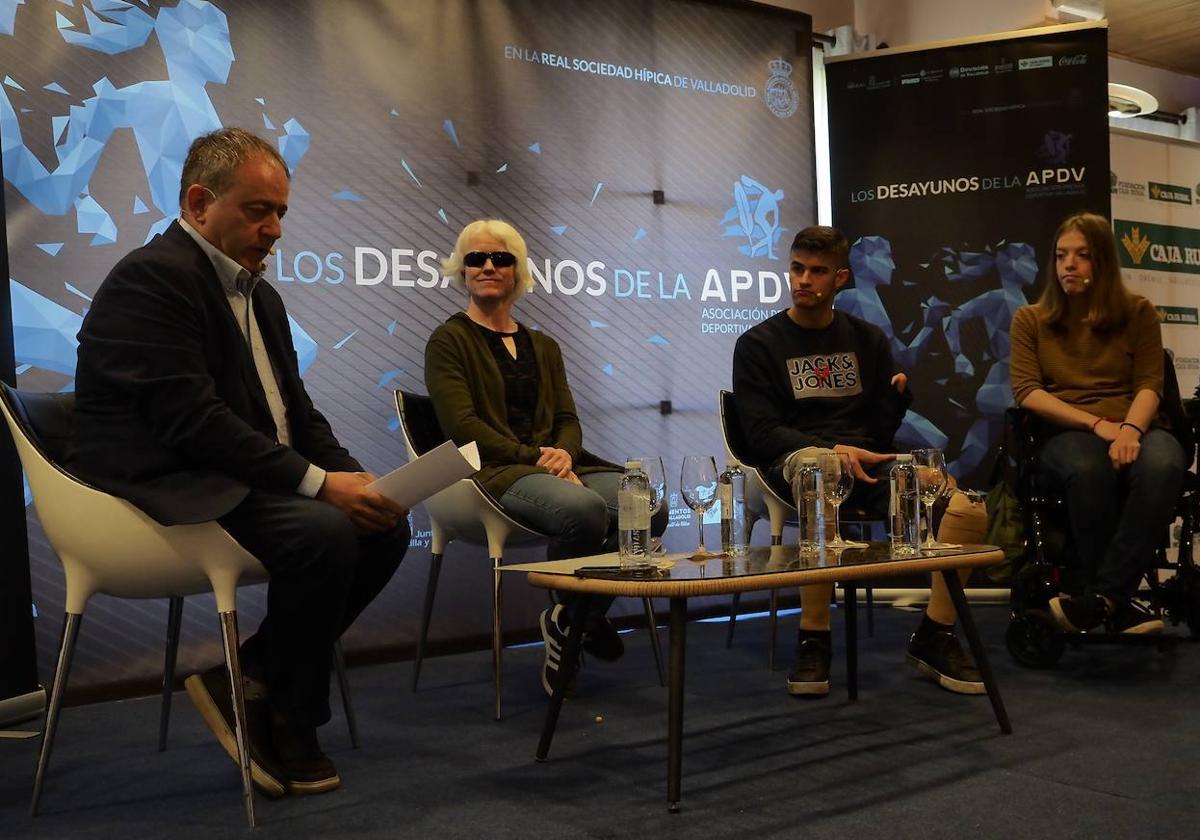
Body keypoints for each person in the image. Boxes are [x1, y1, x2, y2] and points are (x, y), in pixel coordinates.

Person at [68, 128, 409, 798]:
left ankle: (251, 678)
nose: (275, 228)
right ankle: (293, 713)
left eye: (281, 212)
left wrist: (360, 481)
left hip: (225, 476)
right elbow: (191, 424)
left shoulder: (262, 297)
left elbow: (298, 420)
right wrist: (319, 488)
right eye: (259, 210)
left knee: (382, 525)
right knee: (322, 532)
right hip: (159, 487)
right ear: (199, 203)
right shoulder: (152, 278)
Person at [732, 225, 985, 697]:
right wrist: (830, 450)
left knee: (966, 505)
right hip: (790, 467)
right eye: (798, 268)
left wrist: (895, 400)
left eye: (818, 271)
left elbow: (877, 435)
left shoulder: (866, 340)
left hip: (863, 465)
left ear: (841, 278)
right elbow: (760, 435)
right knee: (818, 468)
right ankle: (814, 637)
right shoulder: (759, 345)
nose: (804, 279)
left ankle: (935, 633)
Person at [425, 219, 667, 695]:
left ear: (518, 270)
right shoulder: (448, 341)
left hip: (554, 465)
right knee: (584, 509)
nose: (489, 266)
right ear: (462, 270)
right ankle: (578, 621)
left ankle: (568, 618)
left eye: (501, 258)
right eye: (476, 258)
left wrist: (564, 454)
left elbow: (567, 417)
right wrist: (537, 457)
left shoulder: (544, 345)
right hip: (492, 472)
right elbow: (462, 426)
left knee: (648, 507)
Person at [1010, 211, 1186, 634]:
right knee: (1090, 470)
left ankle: (1103, 597)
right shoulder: (1030, 319)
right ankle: (1117, 603)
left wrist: (1129, 429)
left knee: (1164, 463)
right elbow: (1028, 392)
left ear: (1103, 262)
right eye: (1061, 255)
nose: (1068, 264)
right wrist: (1095, 425)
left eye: (1082, 255)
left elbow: (1150, 383)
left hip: (1135, 422)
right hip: (1066, 430)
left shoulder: (1139, 312)